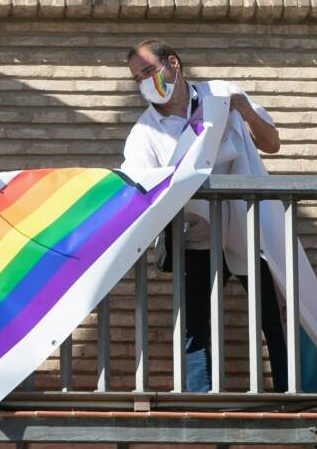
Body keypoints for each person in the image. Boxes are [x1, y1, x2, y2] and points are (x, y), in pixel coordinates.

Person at [122, 38, 289, 393]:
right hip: (194, 239)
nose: (145, 83)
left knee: (275, 319)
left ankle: (292, 397)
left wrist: (242, 107)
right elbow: (138, 187)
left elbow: (271, 143)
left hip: (249, 232)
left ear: (174, 64)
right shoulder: (143, 133)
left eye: (150, 71)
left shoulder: (221, 95)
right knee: (195, 330)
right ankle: (199, 405)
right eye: (138, 79)